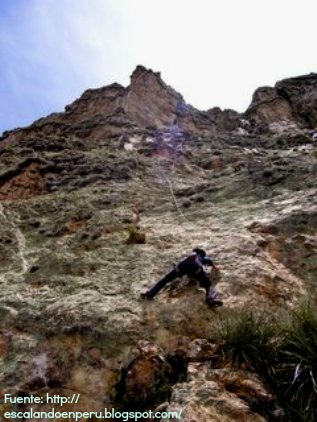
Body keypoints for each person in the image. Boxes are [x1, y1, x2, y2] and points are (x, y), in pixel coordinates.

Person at [140, 248, 222, 306]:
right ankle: (211, 299)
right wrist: (214, 267)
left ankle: (150, 294)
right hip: (196, 268)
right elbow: (209, 260)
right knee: (208, 284)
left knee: (164, 280)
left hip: (182, 267)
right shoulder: (201, 256)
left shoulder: (188, 255)